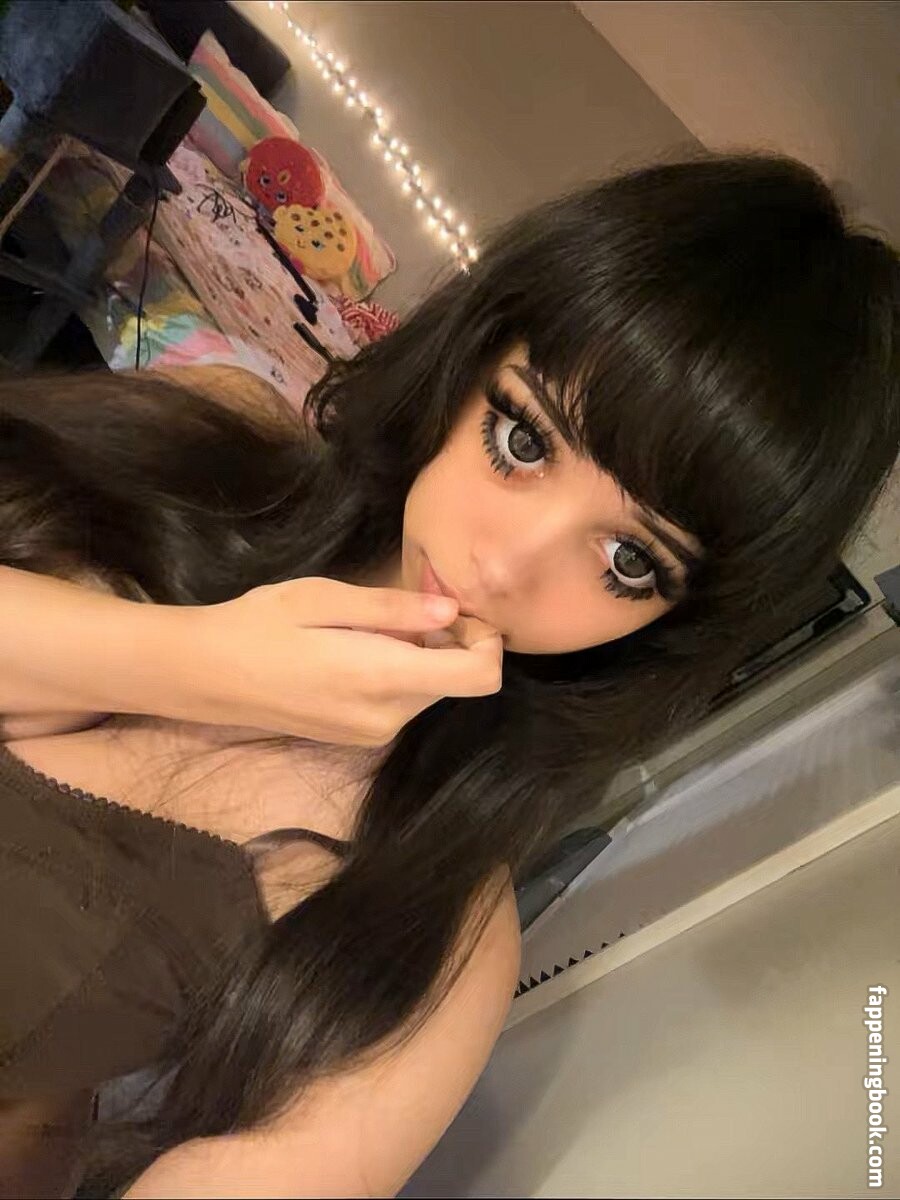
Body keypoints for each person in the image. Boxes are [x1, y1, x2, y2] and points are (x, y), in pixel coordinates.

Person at [0, 150, 897, 1198]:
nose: (507, 563)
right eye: (523, 438)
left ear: (678, 620)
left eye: (628, 561)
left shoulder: (430, 927)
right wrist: (205, 663)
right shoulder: (215, 435)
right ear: (471, 359)